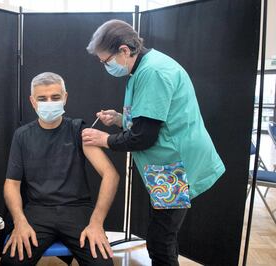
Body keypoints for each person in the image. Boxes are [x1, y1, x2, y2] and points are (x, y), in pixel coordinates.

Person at [82, 20, 225, 266]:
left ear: (124, 51)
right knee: (162, 236)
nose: (105, 66)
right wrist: (119, 119)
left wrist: (105, 140)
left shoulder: (153, 72)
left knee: (161, 241)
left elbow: (144, 136)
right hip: (167, 164)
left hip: (174, 167)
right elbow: (151, 117)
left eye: (106, 61)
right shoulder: (144, 66)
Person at [0, 72, 119, 266]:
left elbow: (110, 175)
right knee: (12, 263)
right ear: (32, 101)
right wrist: (20, 221)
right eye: (42, 98)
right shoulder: (22, 136)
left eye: (55, 97)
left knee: (102, 264)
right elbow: (12, 184)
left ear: (65, 98)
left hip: (77, 210)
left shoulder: (79, 131)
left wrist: (96, 223)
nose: (49, 102)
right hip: (37, 211)